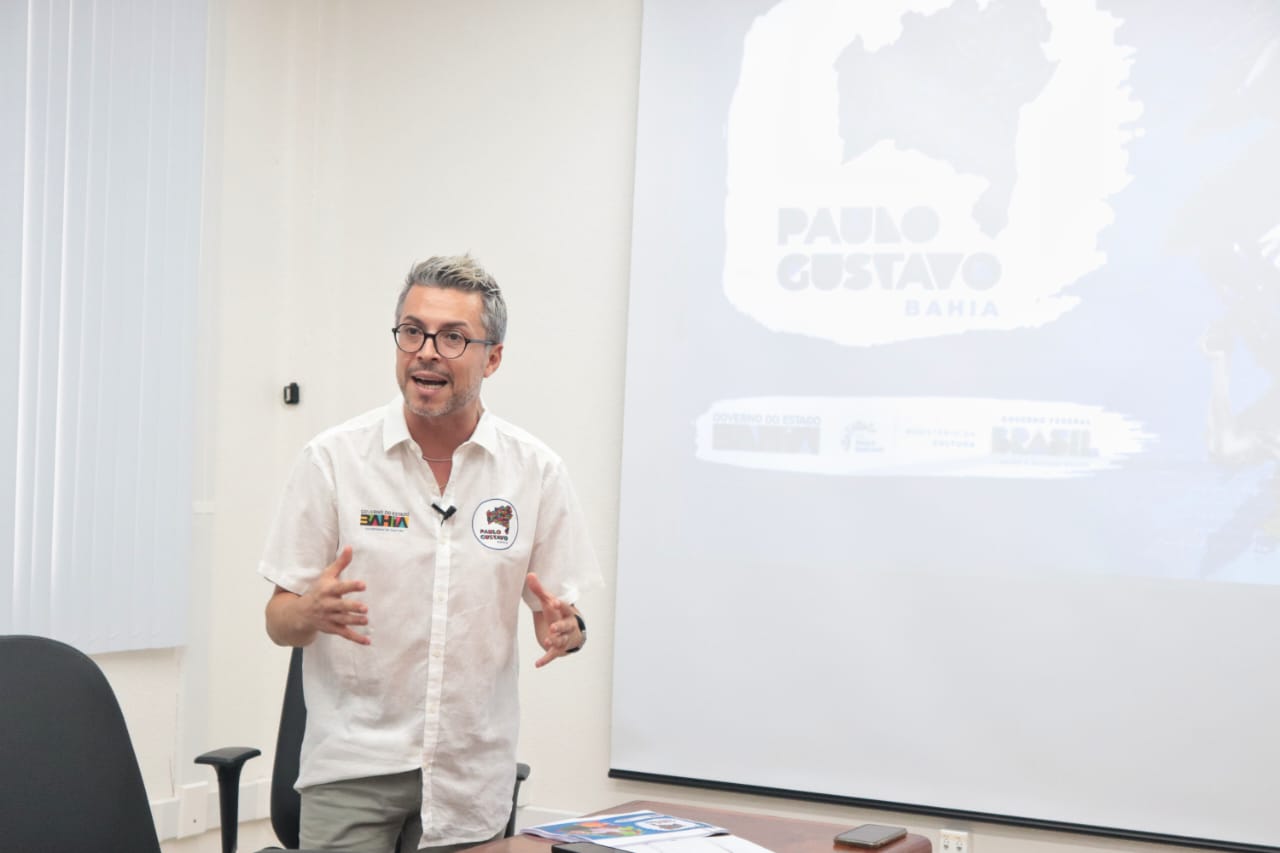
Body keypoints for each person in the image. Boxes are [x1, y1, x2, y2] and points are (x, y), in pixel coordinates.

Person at [259, 255, 602, 852]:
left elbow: (560, 617)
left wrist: (566, 631)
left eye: (453, 338)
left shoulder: (535, 472)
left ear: (492, 358)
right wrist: (308, 612)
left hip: (471, 774)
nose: (426, 352)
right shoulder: (333, 460)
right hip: (352, 769)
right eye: (413, 332)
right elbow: (278, 620)